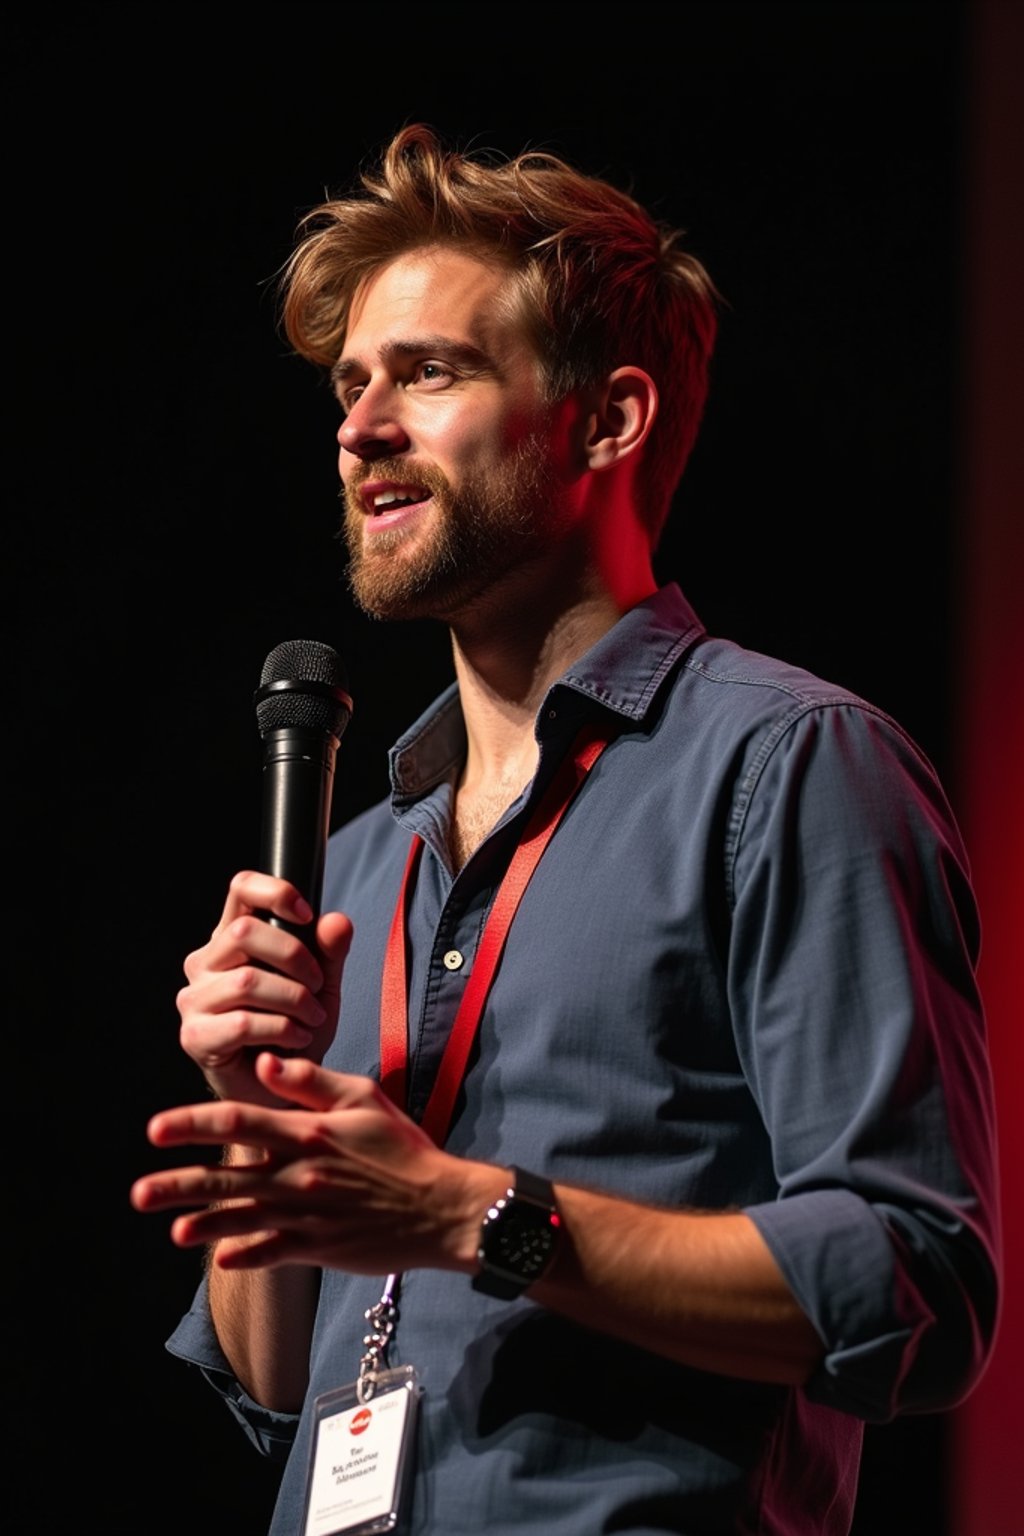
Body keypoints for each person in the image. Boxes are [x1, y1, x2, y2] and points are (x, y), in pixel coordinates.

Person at [131, 123, 1001, 1536]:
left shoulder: (789, 768)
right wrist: (261, 1095)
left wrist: (469, 1218)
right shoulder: (359, 860)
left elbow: (915, 1283)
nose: (360, 426)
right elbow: (277, 1376)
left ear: (608, 421)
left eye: (429, 372)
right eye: (352, 385)